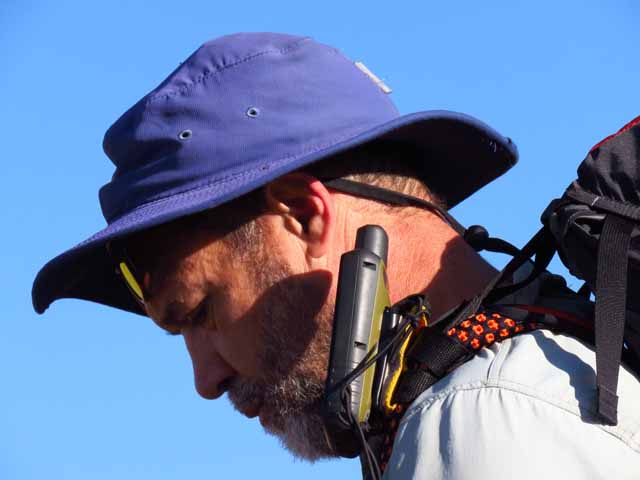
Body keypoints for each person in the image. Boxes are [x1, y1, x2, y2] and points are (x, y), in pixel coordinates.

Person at [32, 32, 640, 479]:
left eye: (200, 312)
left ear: (303, 214)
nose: (205, 380)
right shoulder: (554, 374)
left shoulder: (481, 423)